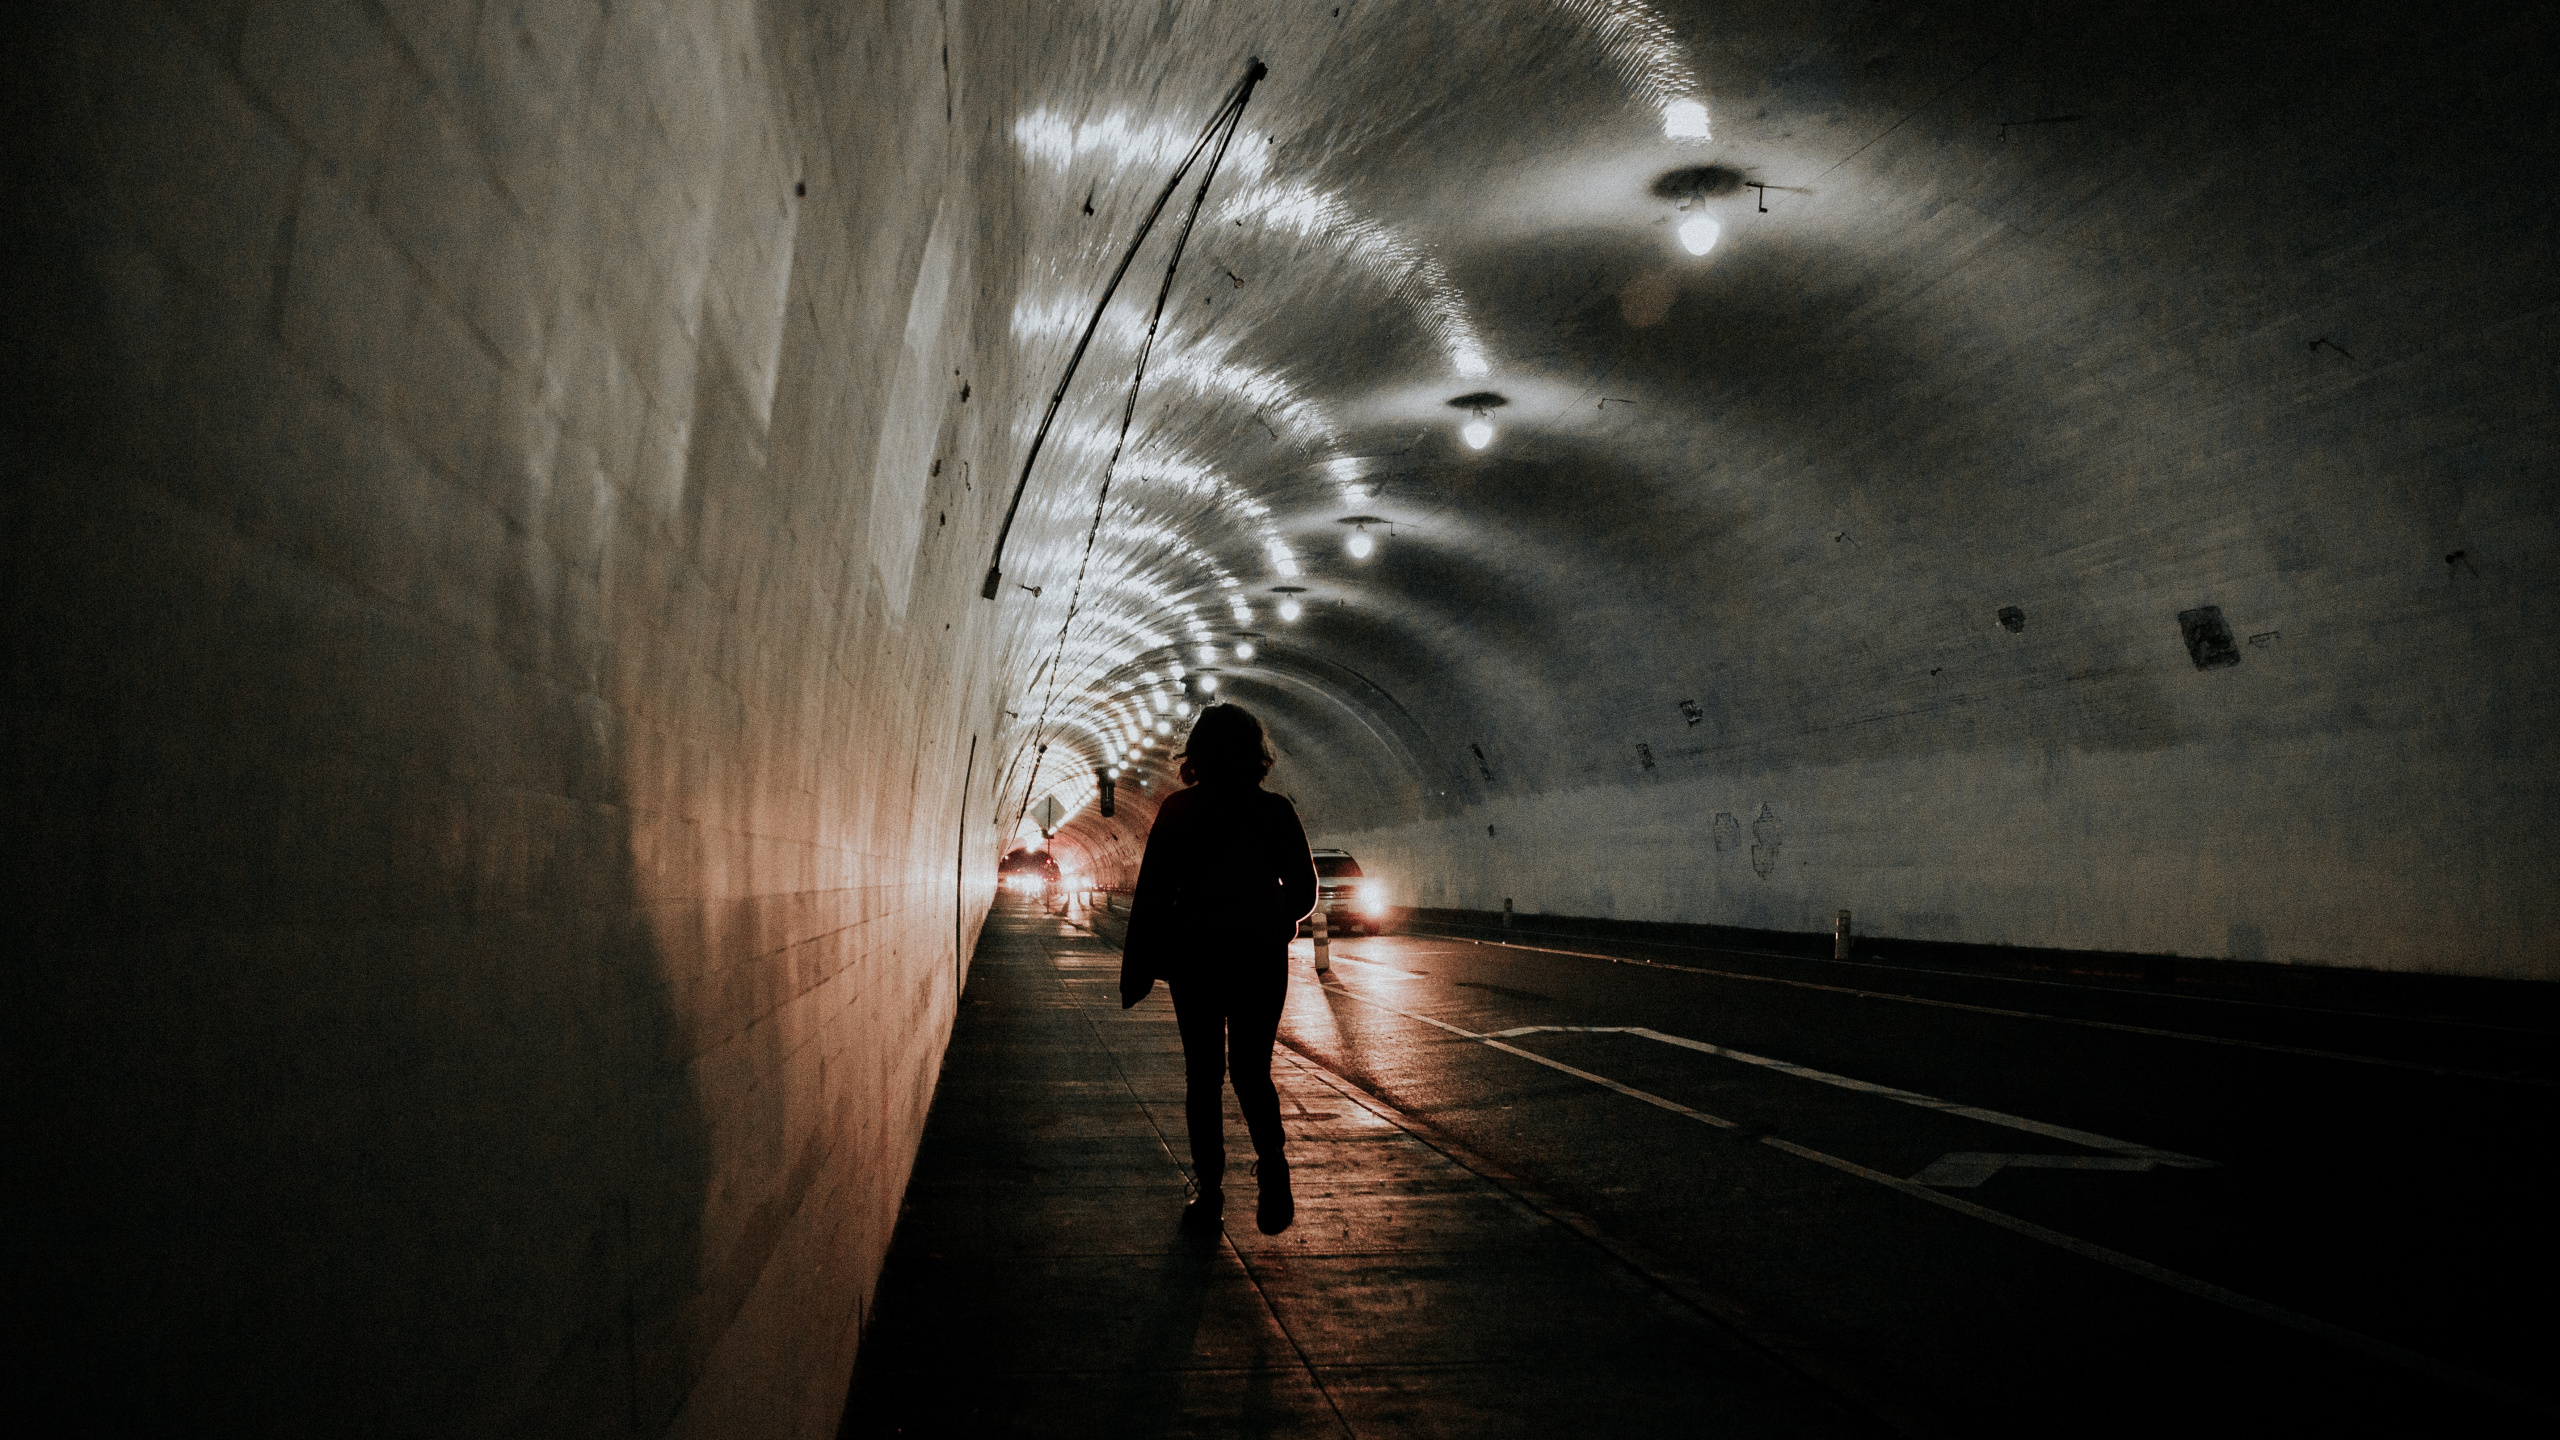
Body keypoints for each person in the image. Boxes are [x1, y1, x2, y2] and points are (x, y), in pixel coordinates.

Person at [1119, 704, 1317, 1234]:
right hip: (1259, 962)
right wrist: (1275, 925)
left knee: (1202, 1077)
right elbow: (1304, 892)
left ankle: (1210, 1197)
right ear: (1257, 754)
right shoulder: (1275, 811)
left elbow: (1154, 893)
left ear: (1196, 755)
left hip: (1197, 961)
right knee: (1252, 1071)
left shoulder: (1179, 810)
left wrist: (1144, 960)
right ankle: (1273, 1168)